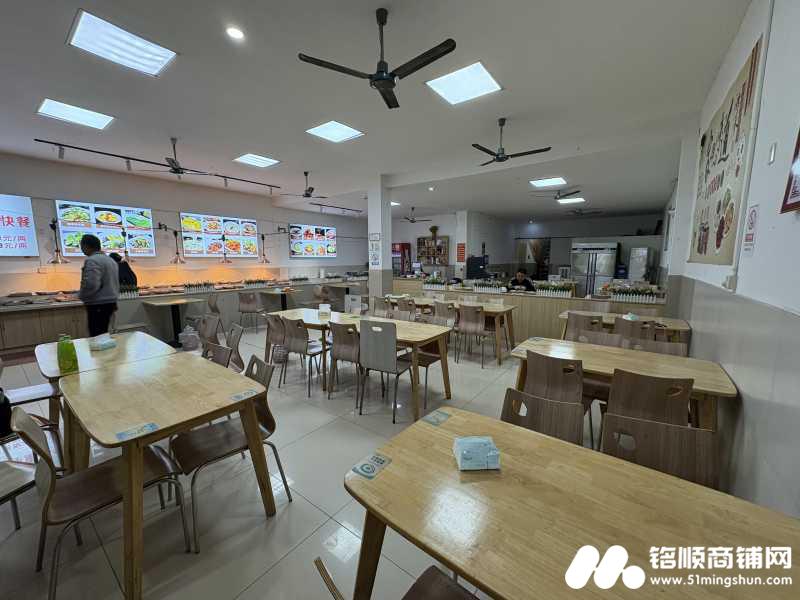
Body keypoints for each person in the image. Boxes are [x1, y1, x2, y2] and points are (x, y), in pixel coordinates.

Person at [78, 234, 119, 336]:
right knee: (104, 334)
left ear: (86, 246)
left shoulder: (92, 260)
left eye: (81, 246)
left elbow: (91, 284)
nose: (81, 249)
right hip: (110, 302)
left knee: (97, 336)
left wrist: (80, 295)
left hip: (98, 304)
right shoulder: (110, 260)